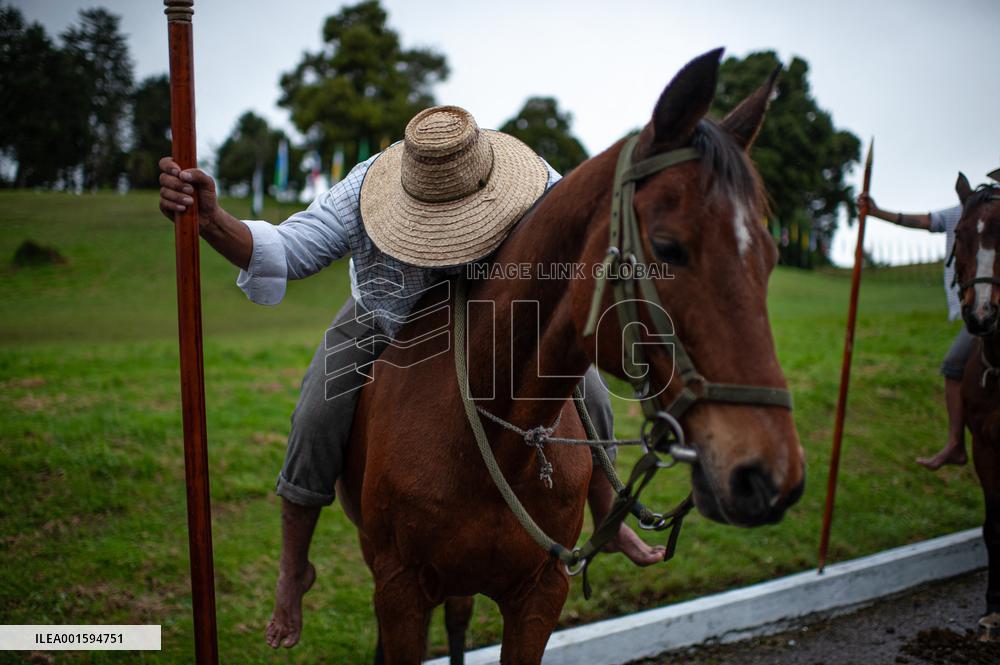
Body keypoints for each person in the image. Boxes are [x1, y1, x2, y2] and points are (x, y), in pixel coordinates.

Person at [157, 106, 666, 650]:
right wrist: (213, 219)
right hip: (386, 317)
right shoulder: (361, 189)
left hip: (503, 325)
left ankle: (608, 514)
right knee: (318, 408)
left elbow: (584, 240)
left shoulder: (537, 182)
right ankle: (293, 568)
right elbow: (284, 249)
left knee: (585, 384)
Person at [857, 191, 972, 471]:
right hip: (976, 311)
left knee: (955, 366)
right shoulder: (964, 211)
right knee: (955, 367)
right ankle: (956, 443)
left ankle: (956, 444)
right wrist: (877, 212)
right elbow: (924, 221)